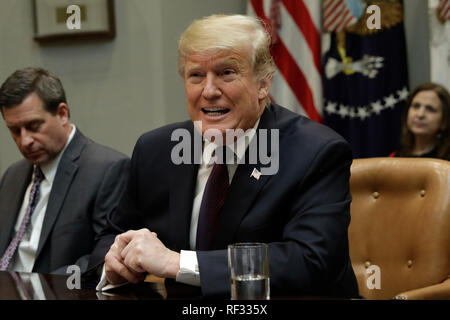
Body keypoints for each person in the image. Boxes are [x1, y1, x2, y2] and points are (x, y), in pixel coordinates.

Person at [88, 14, 359, 298]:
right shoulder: (157, 150)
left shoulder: (315, 152)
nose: (209, 91)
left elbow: (308, 262)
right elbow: (109, 238)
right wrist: (114, 264)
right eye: (196, 75)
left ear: (263, 85)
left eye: (226, 73)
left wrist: (176, 263)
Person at [0, 67, 129, 274]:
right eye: (15, 130)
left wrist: (37, 287)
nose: (24, 141)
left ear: (62, 114)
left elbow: (104, 259)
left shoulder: (108, 170)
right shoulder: (12, 176)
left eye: (33, 126)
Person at [390, 82, 450, 160]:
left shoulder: (447, 161)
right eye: (416, 106)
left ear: (444, 120)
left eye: (430, 109)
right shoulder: (395, 157)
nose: (420, 114)